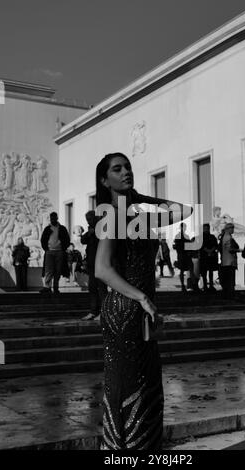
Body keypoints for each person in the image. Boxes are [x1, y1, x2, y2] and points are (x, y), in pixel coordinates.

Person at [94, 152, 192, 450]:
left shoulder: (139, 213)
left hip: (142, 310)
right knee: (127, 386)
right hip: (124, 309)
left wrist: (137, 195)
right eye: (117, 169)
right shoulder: (112, 214)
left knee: (148, 385)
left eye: (128, 168)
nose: (126, 172)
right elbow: (101, 269)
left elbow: (182, 210)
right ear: (104, 179)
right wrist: (141, 297)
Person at [81, 210, 108, 321]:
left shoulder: (101, 228)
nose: (89, 222)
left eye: (90, 219)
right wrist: (89, 233)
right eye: (87, 220)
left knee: (101, 288)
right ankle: (93, 311)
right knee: (92, 288)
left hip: (101, 263)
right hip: (92, 264)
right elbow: (83, 240)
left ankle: (104, 312)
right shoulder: (90, 230)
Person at [40, 212, 70, 294]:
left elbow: (67, 239)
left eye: (54, 218)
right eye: (51, 218)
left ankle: (56, 287)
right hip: (49, 252)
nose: (53, 219)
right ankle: (47, 287)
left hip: (59, 251)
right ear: (50, 219)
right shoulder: (47, 229)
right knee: (48, 270)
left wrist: (63, 248)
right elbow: (43, 240)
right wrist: (46, 248)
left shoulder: (62, 228)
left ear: (57, 218)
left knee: (58, 270)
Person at [173, 223, 197, 292]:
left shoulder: (186, 236)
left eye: (185, 227)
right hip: (182, 255)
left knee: (190, 270)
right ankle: (183, 285)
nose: (184, 228)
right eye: (183, 227)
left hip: (186, 255)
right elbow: (177, 246)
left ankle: (193, 285)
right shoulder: (178, 236)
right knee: (182, 271)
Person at [219, 223, 240, 299]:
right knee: (230, 280)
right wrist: (239, 250)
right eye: (232, 228)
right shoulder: (228, 237)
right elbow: (230, 249)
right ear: (228, 229)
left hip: (226, 261)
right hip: (229, 261)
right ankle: (230, 295)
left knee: (228, 280)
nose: (233, 230)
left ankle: (228, 295)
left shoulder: (225, 237)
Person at [199, 223, 218, 292]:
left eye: (207, 228)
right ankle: (205, 286)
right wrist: (208, 251)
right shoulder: (201, 237)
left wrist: (211, 251)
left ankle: (211, 285)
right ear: (203, 229)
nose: (206, 229)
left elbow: (216, 245)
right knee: (204, 273)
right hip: (204, 257)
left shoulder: (212, 237)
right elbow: (200, 246)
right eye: (205, 228)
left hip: (211, 257)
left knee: (211, 272)